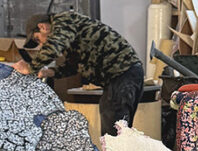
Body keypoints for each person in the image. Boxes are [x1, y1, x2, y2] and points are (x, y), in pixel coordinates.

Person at [12, 9, 144, 137]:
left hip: (122, 74)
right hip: (123, 75)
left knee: (114, 132)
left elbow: (53, 47)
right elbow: (73, 66)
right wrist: (49, 72)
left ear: (43, 27)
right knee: (117, 128)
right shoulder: (70, 32)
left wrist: (30, 67)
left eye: (37, 39)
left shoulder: (64, 20)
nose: (41, 44)